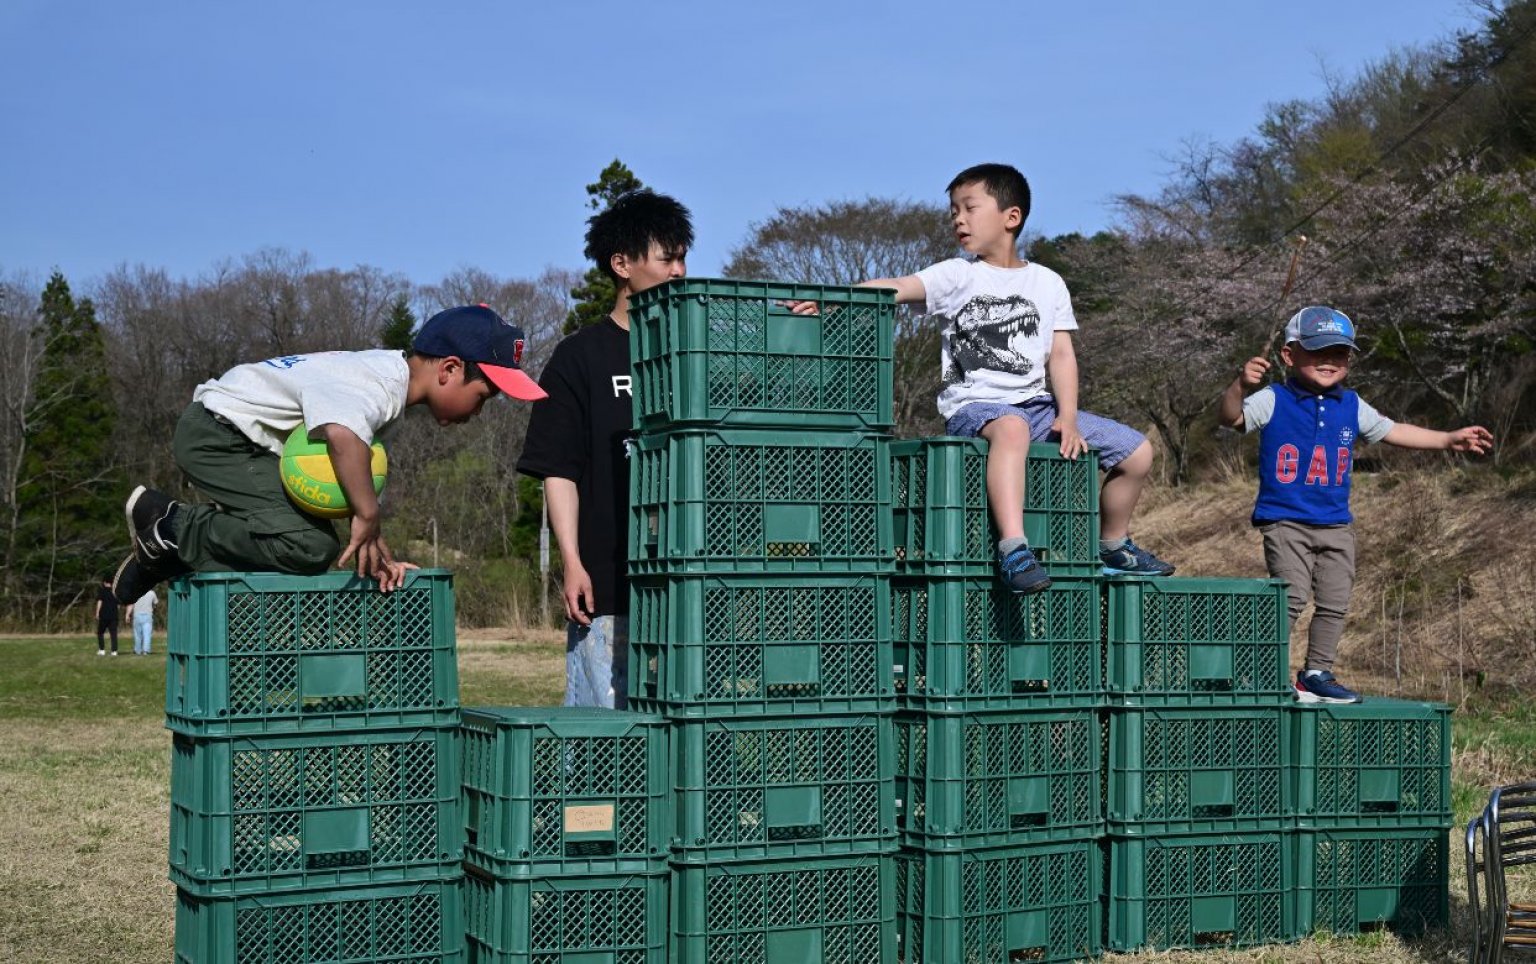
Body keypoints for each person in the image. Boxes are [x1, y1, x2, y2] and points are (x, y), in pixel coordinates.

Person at [850, 162, 1174, 594]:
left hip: (1037, 407)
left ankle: (1113, 545)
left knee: (1137, 452)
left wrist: (1069, 416)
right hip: (974, 407)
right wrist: (837, 300)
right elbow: (896, 286)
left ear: (1011, 216)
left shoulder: (1048, 282)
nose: (958, 219)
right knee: (1012, 428)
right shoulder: (957, 274)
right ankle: (1014, 548)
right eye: (953, 211)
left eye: (969, 207)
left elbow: (1060, 354)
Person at [111, 305, 547, 604]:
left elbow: (339, 479)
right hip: (218, 434)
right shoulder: (377, 384)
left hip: (235, 437)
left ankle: (166, 549)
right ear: (450, 369)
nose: (479, 410)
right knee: (308, 545)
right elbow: (340, 435)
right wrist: (368, 515)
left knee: (311, 545)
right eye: (484, 396)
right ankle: (171, 524)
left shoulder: (384, 383)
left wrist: (377, 549)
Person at [1219, 305, 1493, 703]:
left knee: (1334, 600)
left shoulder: (1351, 404)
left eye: (1340, 353)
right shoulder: (1273, 399)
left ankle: (1316, 672)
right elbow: (1230, 419)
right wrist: (1239, 387)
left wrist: (1448, 439)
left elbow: (1393, 430)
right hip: (1286, 521)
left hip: (1335, 523)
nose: (1330, 362)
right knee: (1291, 596)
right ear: (1289, 355)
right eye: (1317, 352)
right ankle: (1259, 671)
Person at [516, 189, 693, 708]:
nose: (680, 270)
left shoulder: (694, 354)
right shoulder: (580, 356)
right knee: (602, 740)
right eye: (667, 258)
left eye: (684, 257)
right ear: (622, 264)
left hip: (685, 584)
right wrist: (572, 560)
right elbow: (559, 470)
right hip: (608, 587)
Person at [127, 588, 157, 656]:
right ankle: (146, 650)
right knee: (147, 634)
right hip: (147, 615)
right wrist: (153, 608)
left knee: (137, 635)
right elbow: (155, 603)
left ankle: (138, 650)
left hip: (137, 615)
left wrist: (127, 614)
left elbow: (131, 604)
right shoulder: (152, 593)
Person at [94, 577, 119, 657]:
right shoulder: (115, 592)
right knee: (113, 634)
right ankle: (114, 651)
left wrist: (97, 612)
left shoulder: (102, 591)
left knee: (100, 632)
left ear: (105, 582)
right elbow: (118, 605)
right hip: (113, 616)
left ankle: (102, 650)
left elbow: (99, 602)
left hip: (104, 615)